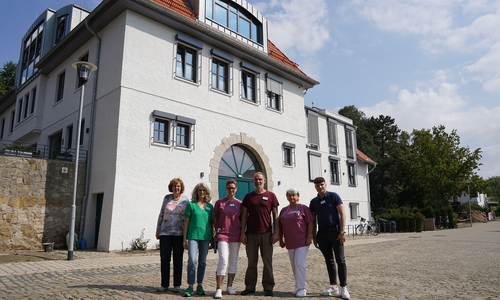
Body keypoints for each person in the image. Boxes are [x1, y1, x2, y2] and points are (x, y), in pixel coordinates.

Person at [309, 177, 350, 299]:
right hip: (322, 234)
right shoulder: (314, 202)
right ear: (315, 187)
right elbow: (313, 220)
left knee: (340, 260)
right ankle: (333, 286)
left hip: (336, 233)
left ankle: (344, 287)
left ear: (325, 185)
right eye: (317, 185)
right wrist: (314, 237)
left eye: (321, 184)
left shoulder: (334, 196)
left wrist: (342, 232)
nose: (320, 187)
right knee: (329, 260)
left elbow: (342, 214)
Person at [240, 172, 280, 297]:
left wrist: (276, 233)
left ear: (265, 180)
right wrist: (242, 233)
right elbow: (244, 216)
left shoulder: (271, 195)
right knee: (252, 262)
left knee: (267, 261)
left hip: (266, 234)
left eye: (260, 179)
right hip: (251, 234)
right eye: (256, 179)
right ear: (253, 181)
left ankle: (268, 287)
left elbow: (275, 215)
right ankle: (250, 286)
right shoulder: (248, 197)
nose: (258, 181)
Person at [156, 178, 190, 293]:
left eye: (179, 186)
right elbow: (161, 213)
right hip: (165, 233)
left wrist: (187, 234)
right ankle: (164, 284)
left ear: (181, 188)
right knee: (165, 258)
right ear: (172, 187)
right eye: (175, 186)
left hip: (179, 234)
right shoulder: (166, 198)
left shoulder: (185, 200)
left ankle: (177, 285)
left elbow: (187, 218)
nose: (177, 188)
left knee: (178, 259)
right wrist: (158, 228)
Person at [278, 188, 313, 298]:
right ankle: (298, 286)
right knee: (294, 265)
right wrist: (280, 239)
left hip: (302, 240)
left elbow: (311, 223)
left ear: (298, 196)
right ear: (287, 197)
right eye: (289, 195)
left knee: (299, 263)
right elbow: (280, 226)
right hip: (289, 241)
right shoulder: (284, 210)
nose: (292, 197)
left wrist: (309, 237)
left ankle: (302, 288)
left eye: (294, 195)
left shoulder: (303, 208)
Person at [213, 179, 242, 299]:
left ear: (236, 189)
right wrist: (218, 229)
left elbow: (243, 219)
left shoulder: (240, 203)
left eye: (233, 188)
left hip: (235, 236)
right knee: (223, 259)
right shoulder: (220, 202)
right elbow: (215, 219)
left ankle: (230, 286)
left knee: (233, 261)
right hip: (222, 236)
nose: (231, 190)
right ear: (226, 189)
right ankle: (218, 288)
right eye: (229, 188)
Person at [183, 182, 214, 297]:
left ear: (206, 192)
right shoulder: (191, 205)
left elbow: (211, 224)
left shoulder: (210, 207)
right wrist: (184, 239)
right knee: (192, 260)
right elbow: (186, 223)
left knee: (202, 262)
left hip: (205, 238)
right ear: (196, 192)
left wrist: (212, 238)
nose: (202, 192)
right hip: (193, 237)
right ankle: (190, 286)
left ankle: (199, 285)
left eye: (203, 190)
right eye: (200, 190)